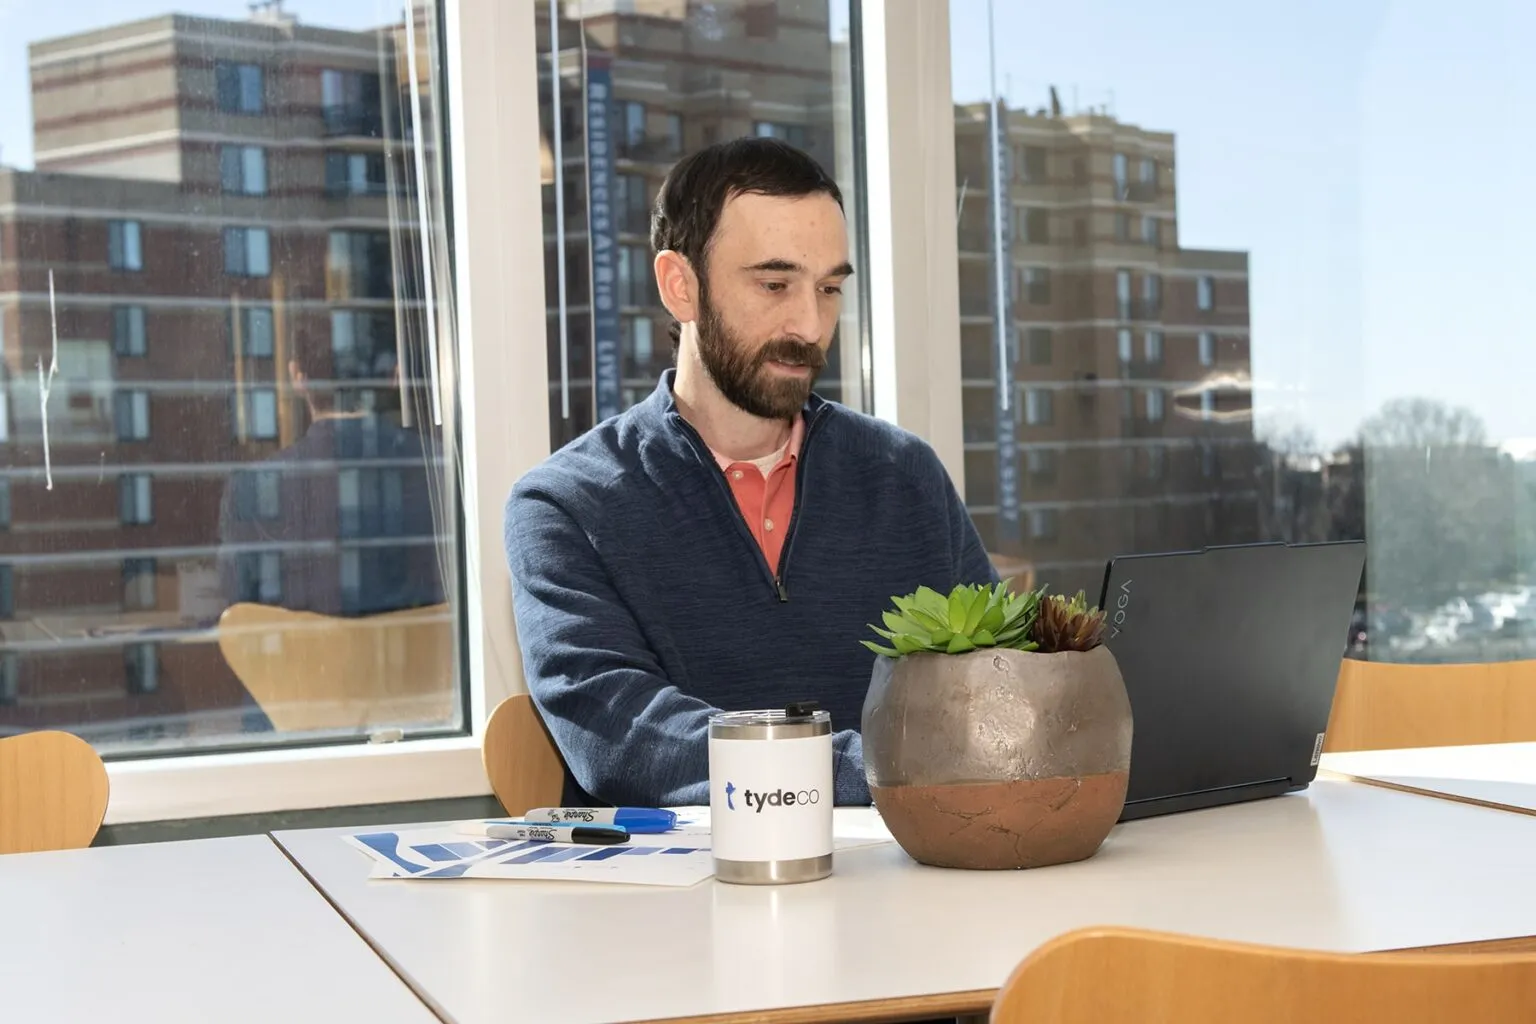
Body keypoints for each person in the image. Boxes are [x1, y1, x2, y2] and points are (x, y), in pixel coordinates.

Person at [504, 137, 995, 808]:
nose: (810, 323)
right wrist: (892, 771)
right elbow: (626, 740)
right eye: (774, 284)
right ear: (681, 285)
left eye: (828, 288)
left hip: (911, 883)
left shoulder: (904, 475)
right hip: (690, 902)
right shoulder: (566, 506)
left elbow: (1002, 686)